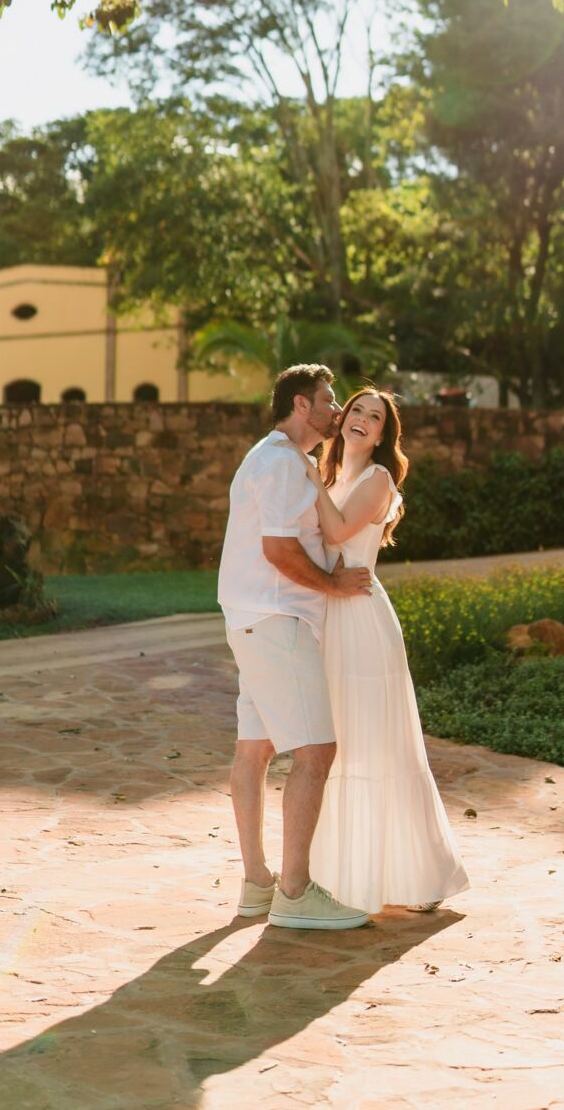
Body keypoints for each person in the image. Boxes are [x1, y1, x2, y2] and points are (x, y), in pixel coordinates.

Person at [277, 388, 469, 914]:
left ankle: (418, 876)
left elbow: (339, 529)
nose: (361, 419)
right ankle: (339, 874)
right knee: (335, 745)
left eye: (374, 416)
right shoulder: (332, 476)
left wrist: (306, 471)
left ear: (384, 434)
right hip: (329, 616)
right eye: (356, 410)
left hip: (361, 619)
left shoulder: (378, 479)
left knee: (377, 745)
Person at [217, 363, 374, 931]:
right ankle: (295, 892)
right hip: (278, 621)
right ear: (301, 405)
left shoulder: (270, 456)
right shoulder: (283, 462)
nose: (337, 410)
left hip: (253, 620)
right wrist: (333, 585)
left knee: (254, 750)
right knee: (316, 752)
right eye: (329, 400)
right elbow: (279, 549)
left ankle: (256, 883)